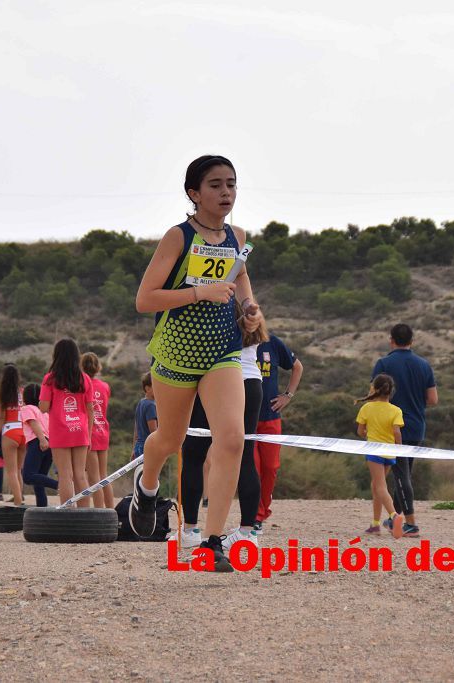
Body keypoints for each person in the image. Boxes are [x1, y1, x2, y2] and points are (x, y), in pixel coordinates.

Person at [131, 154, 263, 572]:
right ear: (194, 193)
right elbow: (144, 300)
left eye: (232, 184)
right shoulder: (178, 237)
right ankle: (146, 487)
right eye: (216, 185)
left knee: (232, 439)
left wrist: (250, 307)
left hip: (223, 352)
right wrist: (197, 294)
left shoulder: (237, 235)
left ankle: (211, 542)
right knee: (169, 441)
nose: (226, 193)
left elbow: (239, 277)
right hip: (176, 352)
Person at [178, 311, 267, 550]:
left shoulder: (219, 311)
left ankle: (189, 529)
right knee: (245, 455)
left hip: (220, 381)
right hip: (251, 382)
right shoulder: (252, 313)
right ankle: (248, 531)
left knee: (194, 454)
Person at [371, 323, 438, 539]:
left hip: (390, 428)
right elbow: (433, 400)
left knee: (401, 476)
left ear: (391, 340)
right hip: (417, 426)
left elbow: (373, 396)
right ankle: (396, 518)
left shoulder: (383, 363)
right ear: (412, 341)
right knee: (404, 473)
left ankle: (411, 524)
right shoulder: (424, 365)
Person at [253, 322, 304, 531]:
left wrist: (288, 395)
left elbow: (297, 366)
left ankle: (264, 510)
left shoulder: (271, 342)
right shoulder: (235, 342)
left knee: (270, 468)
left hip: (270, 417)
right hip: (244, 418)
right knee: (252, 469)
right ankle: (254, 516)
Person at [39, 339, 96, 508]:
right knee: (80, 474)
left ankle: (67, 515)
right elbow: (90, 409)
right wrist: (89, 435)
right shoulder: (84, 378)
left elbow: (43, 407)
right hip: (80, 430)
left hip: (60, 431)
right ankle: (84, 513)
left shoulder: (50, 379)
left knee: (65, 475)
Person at [355, 374, 405, 538]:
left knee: (380, 487)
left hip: (374, 452)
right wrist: (399, 448)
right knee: (376, 486)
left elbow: (360, 431)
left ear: (375, 390)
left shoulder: (367, 408)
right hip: (390, 453)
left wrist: (368, 434)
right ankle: (375, 524)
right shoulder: (396, 410)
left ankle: (394, 516)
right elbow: (397, 432)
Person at [0, 364, 27, 506]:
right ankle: (20, 498)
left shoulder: (4, 394)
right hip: (24, 432)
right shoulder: (23, 392)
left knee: (11, 472)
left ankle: (18, 504)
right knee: (18, 470)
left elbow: (1, 418)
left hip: (10, 432)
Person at [81, 352, 114, 509]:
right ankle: (110, 511)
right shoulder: (105, 386)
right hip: (103, 430)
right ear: (97, 367)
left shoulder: (82, 386)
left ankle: (100, 513)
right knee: (104, 476)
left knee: (94, 478)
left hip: (90, 432)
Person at [20, 382, 59, 507]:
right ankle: (42, 509)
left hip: (37, 442)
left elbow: (33, 423)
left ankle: (59, 486)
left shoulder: (26, 409)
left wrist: (41, 440)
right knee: (39, 481)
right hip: (50, 445)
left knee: (28, 476)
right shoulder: (45, 412)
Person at [132, 373, 158, 461]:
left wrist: (134, 448)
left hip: (138, 446)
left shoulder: (141, 403)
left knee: (140, 473)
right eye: (156, 386)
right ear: (147, 388)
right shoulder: (151, 405)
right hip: (147, 448)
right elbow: (153, 432)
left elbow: (136, 428)